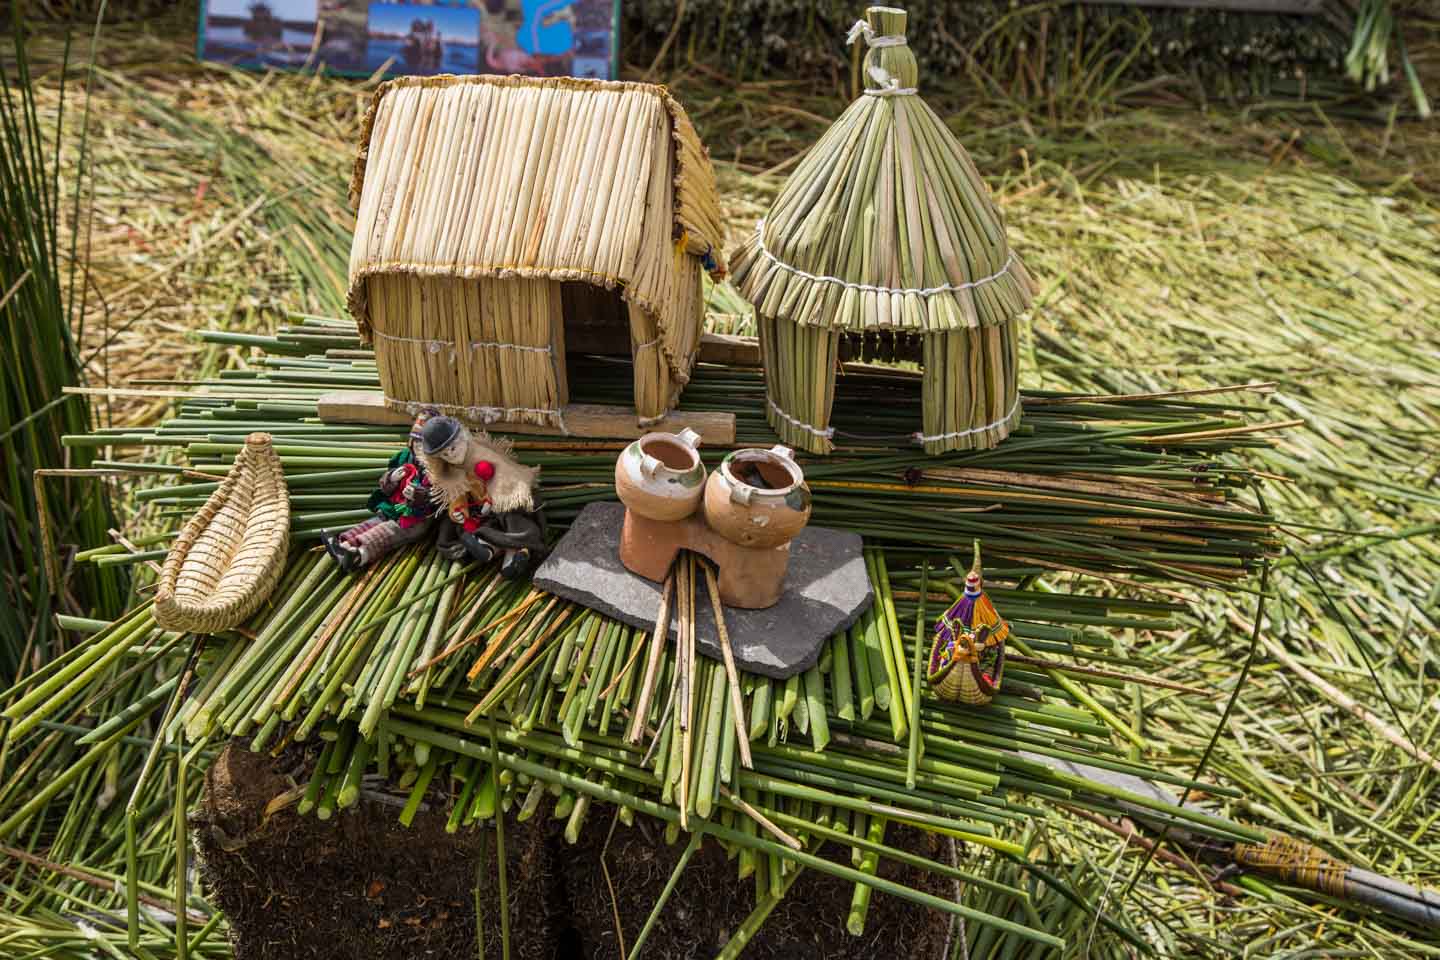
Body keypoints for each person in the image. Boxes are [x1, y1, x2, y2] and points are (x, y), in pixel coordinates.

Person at [419, 416, 548, 579]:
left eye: (453, 448)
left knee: (510, 517)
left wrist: (492, 500)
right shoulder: (451, 470)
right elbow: (457, 494)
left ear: (462, 439)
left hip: (507, 499)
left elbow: (507, 479)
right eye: (444, 454)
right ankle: (490, 549)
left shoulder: (481, 454)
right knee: (457, 527)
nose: (451, 455)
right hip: (480, 509)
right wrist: (458, 510)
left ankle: (518, 550)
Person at [321, 410, 439, 572]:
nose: (419, 449)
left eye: (424, 446)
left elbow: (436, 497)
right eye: (416, 443)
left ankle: (359, 555)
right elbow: (385, 482)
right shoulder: (405, 457)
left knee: (386, 532)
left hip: (414, 519)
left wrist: (418, 495)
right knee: (375, 521)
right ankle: (344, 545)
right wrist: (392, 478)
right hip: (393, 507)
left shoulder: (437, 470)